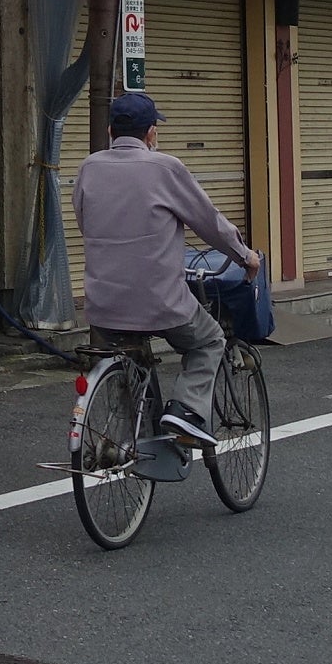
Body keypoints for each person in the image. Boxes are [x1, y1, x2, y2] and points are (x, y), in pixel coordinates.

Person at [71, 90, 260, 452]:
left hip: (103, 305)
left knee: (126, 354)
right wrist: (244, 256)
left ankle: (125, 442)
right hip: (160, 301)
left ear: (111, 131)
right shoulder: (165, 168)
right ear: (151, 133)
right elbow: (210, 223)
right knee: (209, 340)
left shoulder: (89, 167)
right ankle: (186, 412)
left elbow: (85, 222)